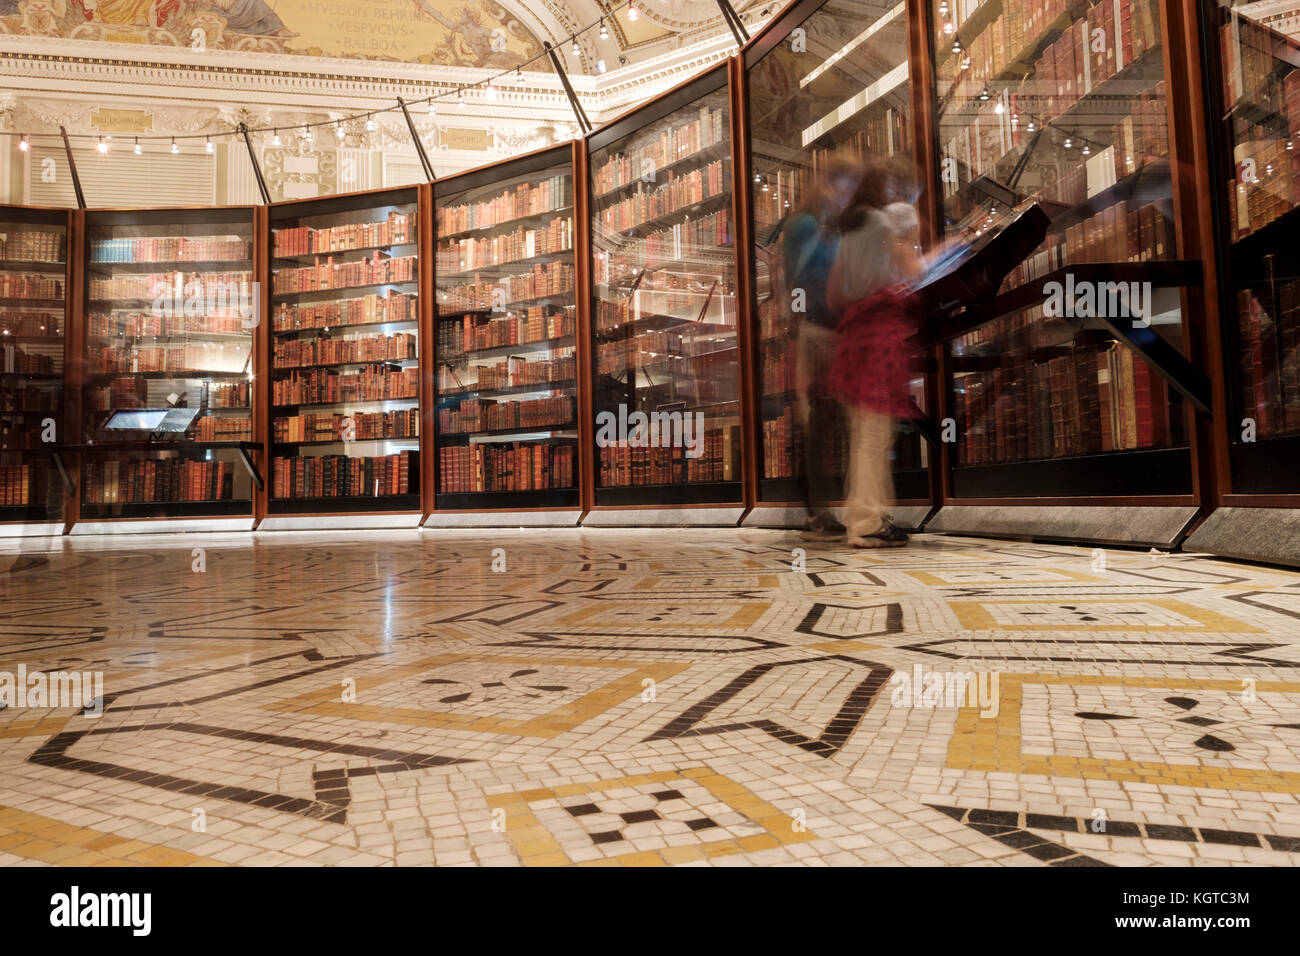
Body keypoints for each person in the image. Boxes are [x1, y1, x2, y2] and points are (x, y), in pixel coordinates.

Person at [825, 158, 922, 548]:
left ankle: (871, 516)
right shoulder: (882, 225)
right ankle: (866, 523)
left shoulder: (848, 233)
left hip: (855, 334)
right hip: (880, 334)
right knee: (874, 435)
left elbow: (834, 294)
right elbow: (912, 269)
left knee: (865, 434)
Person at [780, 158, 861, 540]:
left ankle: (822, 507)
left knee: (827, 420)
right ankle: (816, 510)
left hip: (827, 328)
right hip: (819, 330)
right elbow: (801, 280)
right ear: (829, 185)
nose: (847, 198)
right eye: (844, 189)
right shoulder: (806, 225)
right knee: (822, 420)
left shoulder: (821, 225)